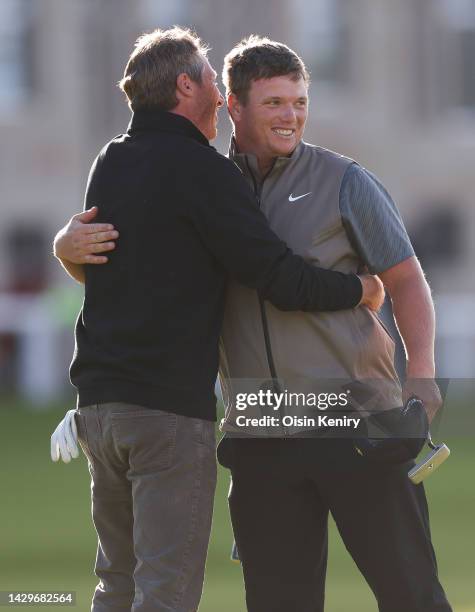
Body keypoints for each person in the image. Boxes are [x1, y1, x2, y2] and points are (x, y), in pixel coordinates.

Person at [58, 34, 452, 612]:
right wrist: (67, 248)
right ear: (232, 108)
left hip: (356, 418)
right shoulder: (201, 180)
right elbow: (142, 272)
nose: (290, 116)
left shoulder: (346, 180)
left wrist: (422, 373)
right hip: (260, 430)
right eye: (273, 103)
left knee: (411, 595)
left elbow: (407, 280)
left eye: (298, 101)